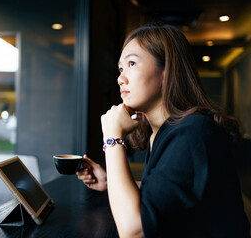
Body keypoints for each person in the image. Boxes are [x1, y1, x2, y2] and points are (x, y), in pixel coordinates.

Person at [77, 24, 250, 237]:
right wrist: (108, 181)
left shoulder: (193, 131)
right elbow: (167, 190)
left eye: (132, 63)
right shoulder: (163, 131)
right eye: (121, 69)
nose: (120, 79)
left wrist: (113, 138)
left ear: (167, 72)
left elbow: (133, 229)